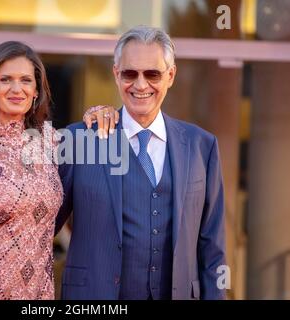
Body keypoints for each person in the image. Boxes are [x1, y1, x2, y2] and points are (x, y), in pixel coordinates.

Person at [0, 41, 113, 300]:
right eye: (6, 80)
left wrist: (100, 112)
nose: (17, 89)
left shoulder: (51, 143)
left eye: (26, 80)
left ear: (36, 90)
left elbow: (88, 132)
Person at [56, 26, 227, 300]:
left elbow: (213, 249)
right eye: (129, 73)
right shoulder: (81, 140)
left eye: (152, 74)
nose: (140, 84)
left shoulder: (201, 146)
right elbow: (37, 224)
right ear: (116, 74)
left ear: (170, 76)